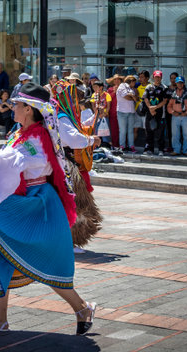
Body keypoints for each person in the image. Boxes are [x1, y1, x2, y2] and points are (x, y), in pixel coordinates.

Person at [0, 82, 96, 334]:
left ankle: (82, 307)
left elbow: (8, 161)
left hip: (37, 206)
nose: (11, 107)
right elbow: (5, 156)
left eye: (16, 104)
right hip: (25, 200)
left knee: (45, 261)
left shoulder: (36, 138)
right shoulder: (22, 133)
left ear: (28, 109)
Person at [52, 80, 102, 253]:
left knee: (71, 202)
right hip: (65, 164)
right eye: (74, 98)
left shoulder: (60, 114)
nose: (76, 102)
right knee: (74, 203)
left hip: (64, 163)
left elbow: (75, 130)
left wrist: (95, 115)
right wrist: (91, 140)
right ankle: (69, 242)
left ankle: (69, 240)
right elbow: (70, 139)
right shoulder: (62, 116)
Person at [142, 70, 168, 156]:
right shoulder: (148, 87)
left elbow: (165, 100)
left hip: (160, 114)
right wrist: (150, 108)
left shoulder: (164, 87)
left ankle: (161, 149)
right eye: (156, 77)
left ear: (161, 78)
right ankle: (150, 149)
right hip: (149, 113)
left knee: (160, 133)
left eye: (159, 77)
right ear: (153, 77)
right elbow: (145, 98)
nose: (157, 79)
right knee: (149, 132)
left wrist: (155, 108)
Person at [167, 76, 187, 156]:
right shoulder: (173, 93)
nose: (179, 84)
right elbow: (169, 106)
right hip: (175, 116)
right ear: (176, 83)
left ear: (184, 83)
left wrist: (186, 112)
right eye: (178, 82)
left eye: (181, 82)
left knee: (186, 134)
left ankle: (186, 150)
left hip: (185, 116)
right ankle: (176, 150)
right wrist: (172, 112)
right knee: (175, 134)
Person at [116, 75, 138, 152]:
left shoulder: (131, 88)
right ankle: (122, 146)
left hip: (131, 112)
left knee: (130, 130)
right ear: (131, 81)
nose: (135, 84)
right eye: (134, 82)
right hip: (122, 112)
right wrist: (132, 96)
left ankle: (131, 146)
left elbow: (135, 98)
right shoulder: (122, 86)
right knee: (123, 130)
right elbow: (126, 97)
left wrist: (132, 96)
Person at [90, 80, 111, 145]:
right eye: (94, 87)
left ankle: (106, 144)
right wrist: (96, 113)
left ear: (101, 87)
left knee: (105, 130)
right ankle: (97, 144)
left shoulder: (107, 95)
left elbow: (108, 106)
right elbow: (93, 105)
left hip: (104, 115)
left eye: (96, 87)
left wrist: (104, 113)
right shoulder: (94, 95)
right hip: (97, 116)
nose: (95, 89)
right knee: (96, 130)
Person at [106, 74, 124, 148]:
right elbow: (108, 100)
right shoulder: (110, 89)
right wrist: (114, 92)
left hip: (122, 112)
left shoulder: (124, 89)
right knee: (114, 130)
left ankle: (122, 145)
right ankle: (115, 145)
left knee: (122, 130)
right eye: (115, 79)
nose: (117, 81)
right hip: (113, 112)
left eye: (118, 79)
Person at [164, 72, 179, 153]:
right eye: (171, 78)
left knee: (178, 131)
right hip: (168, 113)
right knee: (169, 130)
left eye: (174, 78)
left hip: (178, 113)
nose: (173, 80)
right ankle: (170, 146)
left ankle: (178, 147)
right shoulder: (167, 89)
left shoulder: (180, 89)